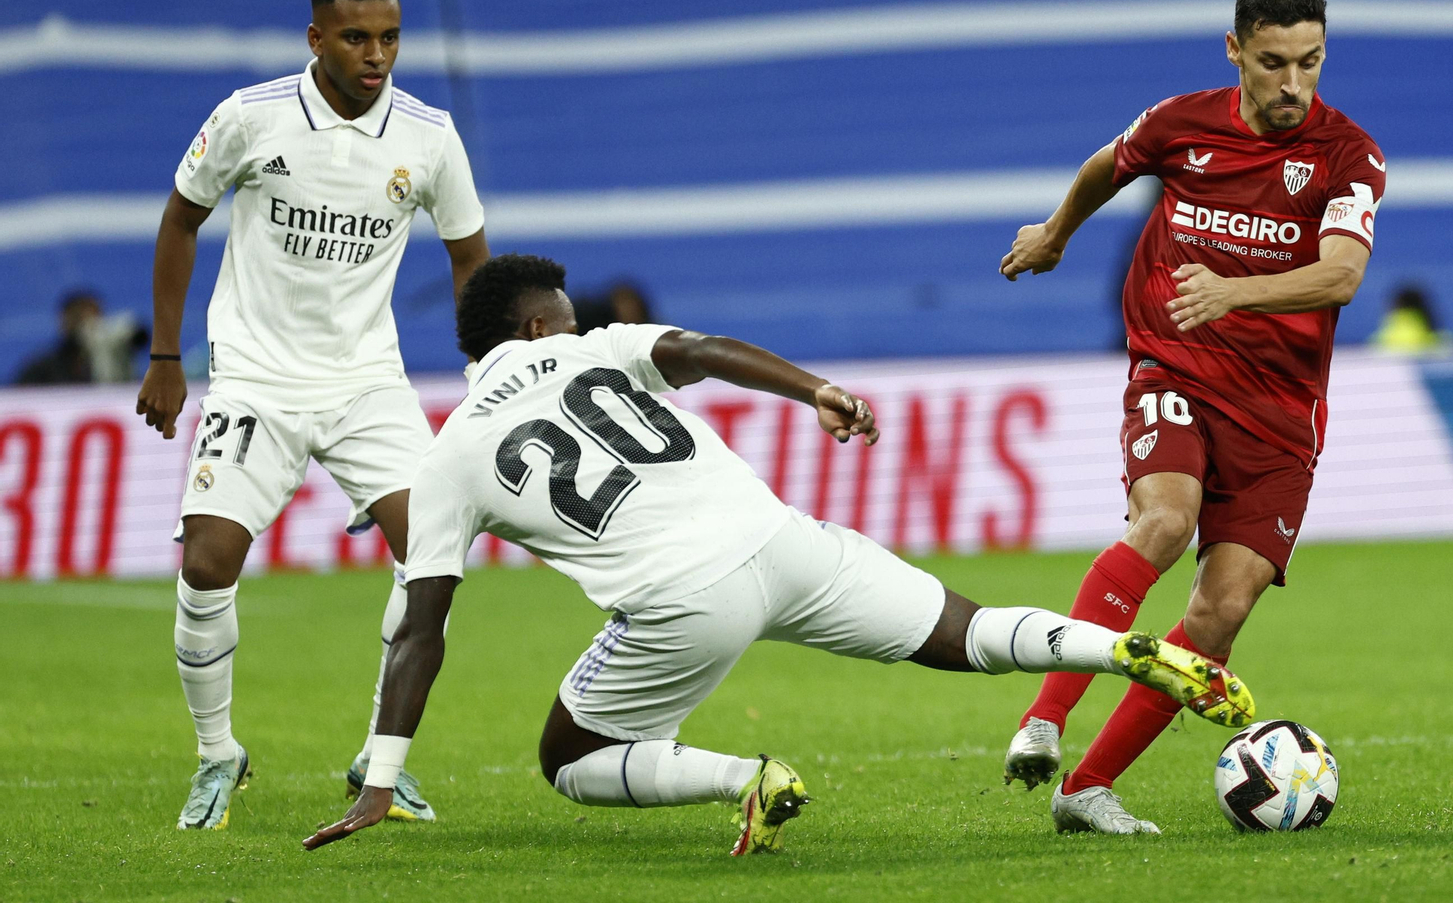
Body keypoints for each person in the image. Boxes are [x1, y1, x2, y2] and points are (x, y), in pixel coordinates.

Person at [301, 254, 1255, 856]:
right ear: (538, 327)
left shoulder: (448, 457)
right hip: (778, 536)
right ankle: (1112, 645)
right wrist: (816, 390)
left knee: (568, 756)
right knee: (962, 630)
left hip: (680, 602)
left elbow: (421, 629)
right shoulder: (596, 352)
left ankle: (743, 778)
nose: (580, 328)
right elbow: (707, 349)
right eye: (568, 317)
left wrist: (382, 776)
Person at [997, 0, 1384, 835]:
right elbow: (1108, 164)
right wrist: (1057, 232)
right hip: (1174, 370)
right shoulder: (1181, 123)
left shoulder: (1348, 156)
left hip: (1280, 412)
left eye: (1312, 63)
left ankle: (1085, 791)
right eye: (1275, 63)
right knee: (1164, 523)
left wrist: (1237, 292)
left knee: (1224, 608)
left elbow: (1344, 275)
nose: (1294, 85)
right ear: (1235, 50)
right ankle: (1045, 719)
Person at [135, 0, 491, 830]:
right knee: (207, 563)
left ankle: (382, 758)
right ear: (317, 37)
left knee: (432, 557)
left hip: (368, 379)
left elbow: (470, 254)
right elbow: (182, 216)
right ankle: (219, 756)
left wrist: (488, 376)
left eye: (391, 37)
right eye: (358, 36)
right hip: (256, 374)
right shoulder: (250, 117)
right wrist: (166, 354)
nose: (378, 54)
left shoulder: (429, 135)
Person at [14, 291, 149, 385]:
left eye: (93, 317)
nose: (86, 324)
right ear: (63, 321)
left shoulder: (117, 362)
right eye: (78, 317)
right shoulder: (41, 369)